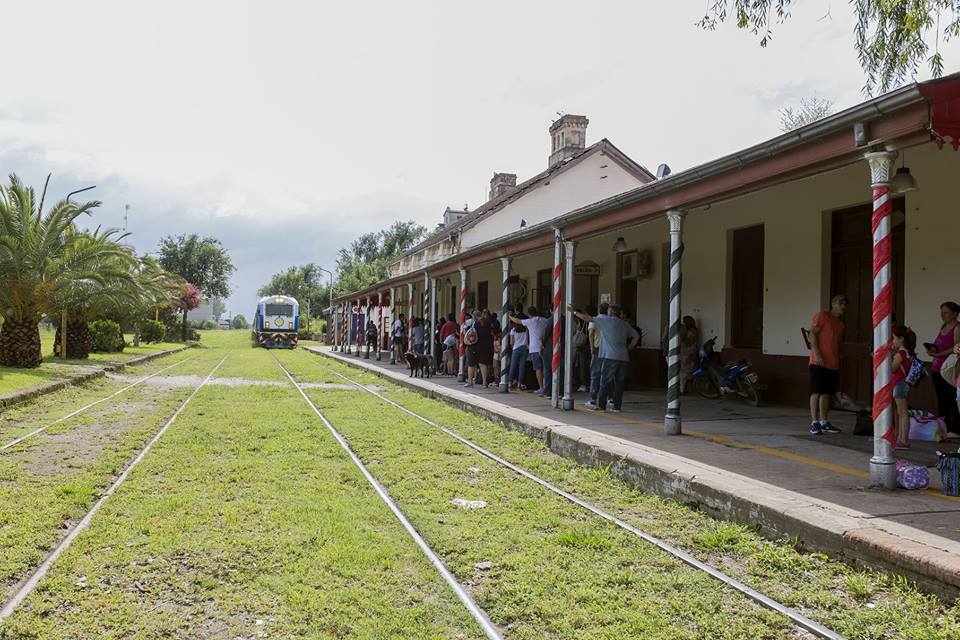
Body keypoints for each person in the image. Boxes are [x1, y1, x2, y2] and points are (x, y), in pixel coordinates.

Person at [569, 304, 639, 412]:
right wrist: (628, 349)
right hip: (623, 357)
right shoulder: (625, 324)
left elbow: (587, 319)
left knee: (605, 381)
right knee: (619, 383)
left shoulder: (606, 321)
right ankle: (617, 407)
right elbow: (636, 336)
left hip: (609, 356)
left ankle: (601, 405)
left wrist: (574, 312)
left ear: (610, 313)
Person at [808, 295, 847, 435]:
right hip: (818, 361)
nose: (843, 306)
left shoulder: (840, 324)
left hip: (833, 362)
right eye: (841, 303)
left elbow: (837, 342)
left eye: (845, 304)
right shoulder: (822, 316)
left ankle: (824, 422)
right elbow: (812, 334)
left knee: (826, 393)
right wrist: (817, 354)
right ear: (833, 304)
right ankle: (814, 422)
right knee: (816, 391)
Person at [927, 301, 960, 433]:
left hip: (949, 369)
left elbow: (956, 348)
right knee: (941, 400)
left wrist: (938, 354)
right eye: (941, 312)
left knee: (952, 399)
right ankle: (944, 426)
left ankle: (955, 429)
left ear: (955, 313)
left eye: (946, 312)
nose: (943, 315)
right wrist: (932, 350)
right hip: (936, 368)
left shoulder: (957, 327)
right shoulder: (943, 326)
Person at [509, 307, 551, 395]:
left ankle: (541, 387)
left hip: (534, 348)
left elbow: (518, 321)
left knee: (538, 368)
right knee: (546, 369)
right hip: (544, 347)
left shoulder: (530, 321)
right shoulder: (545, 320)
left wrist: (509, 316)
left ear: (529, 314)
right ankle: (547, 387)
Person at [891, 325, 917, 450]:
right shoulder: (907, 352)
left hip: (899, 383)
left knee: (902, 413)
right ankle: (901, 438)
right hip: (904, 383)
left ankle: (904, 440)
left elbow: (892, 368)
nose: (892, 341)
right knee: (901, 412)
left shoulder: (900, 353)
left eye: (894, 338)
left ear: (901, 339)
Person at [588, 303, 607, 406]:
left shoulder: (595, 319)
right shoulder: (610, 321)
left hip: (597, 348)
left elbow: (591, 333)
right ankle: (609, 398)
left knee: (595, 374)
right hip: (609, 349)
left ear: (599, 310)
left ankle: (593, 398)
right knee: (607, 374)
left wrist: (591, 347)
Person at [508, 311, 529, 390]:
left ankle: (510, 382)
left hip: (516, 348)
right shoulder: (526, 329)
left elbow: (511, 342)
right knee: (522, 367)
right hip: (524, 348)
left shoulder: (513, 330)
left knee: (513, 366)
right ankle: (520, 384)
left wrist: (512, 347)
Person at [679, 316, 699, 394]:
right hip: (689, 352)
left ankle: (682, 389)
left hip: (686, 353)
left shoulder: (691, 331)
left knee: (684, 372)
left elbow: (686, 341)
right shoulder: (694, 331)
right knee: (686, 371)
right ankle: (684, 388)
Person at [573, 311, 591, 392]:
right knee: (586, 366)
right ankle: (586, 383)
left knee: (581, 366)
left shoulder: (580, 322)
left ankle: (583, 384)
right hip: (588, 346)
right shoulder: (589, 321)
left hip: (582, 347)